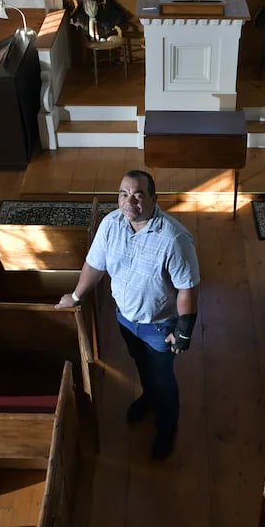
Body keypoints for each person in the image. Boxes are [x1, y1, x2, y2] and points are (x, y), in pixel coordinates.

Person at [56, 170, 199, 460]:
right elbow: (95, 266)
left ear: (153, 199)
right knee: (142, 365)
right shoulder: (110, 225)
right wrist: (75, 296)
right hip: (125, 317)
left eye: (138, 195)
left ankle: (167, 427)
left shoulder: (174, 239)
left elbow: (187, 288)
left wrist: (184, 330)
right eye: (123, 193)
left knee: (163, 377)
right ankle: (148, 399)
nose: (129, 201)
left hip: (160, 325)